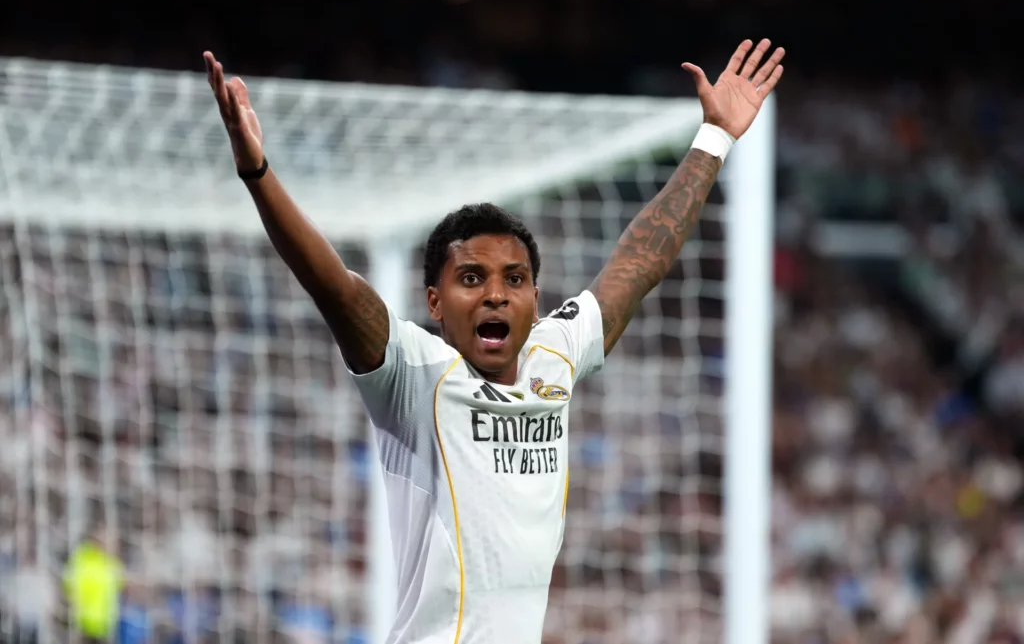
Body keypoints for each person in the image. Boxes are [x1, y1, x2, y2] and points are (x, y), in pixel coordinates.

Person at [203, 38, 783, 644]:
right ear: (434, 302)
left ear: (535, 297)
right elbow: (338, 290)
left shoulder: (554, 356)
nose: (496, 295)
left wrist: (714, 138)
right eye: (471, 279)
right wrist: (257, 173)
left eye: (515, 280)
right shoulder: (414, 374)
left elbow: (638, 263)